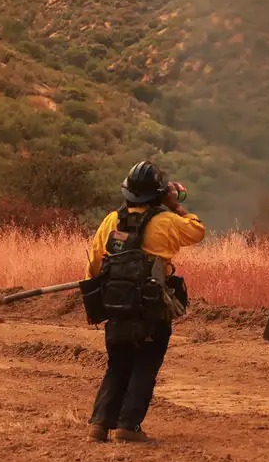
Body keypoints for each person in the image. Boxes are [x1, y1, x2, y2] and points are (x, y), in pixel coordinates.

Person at [86, 161, 206, 443]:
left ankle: (99, 426)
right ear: (159, 194)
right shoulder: (166, 221)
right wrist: (175, 205)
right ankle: (128, 427)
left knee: (118, 364)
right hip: (151, 309)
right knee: (145, 364)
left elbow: (93, 265)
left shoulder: (110, 221)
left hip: (117, 307)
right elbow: (197, 231)